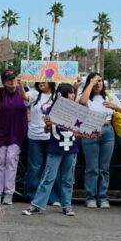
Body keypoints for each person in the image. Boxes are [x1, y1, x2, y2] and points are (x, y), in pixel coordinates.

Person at [23, 83, 80, 216]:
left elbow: (79, 130)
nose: (73, 95)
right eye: (71, 93)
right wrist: (47, 126)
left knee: (68, 178)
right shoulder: (51, 109)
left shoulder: (76, 110)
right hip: (55, 147)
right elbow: (47, 130)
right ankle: (37, 204)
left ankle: (67, 205)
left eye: (73, 93)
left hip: (71, 147)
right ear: (62, 95)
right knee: (48, 177)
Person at [78, 72, 121, 209]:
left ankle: (103, 197)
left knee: (104, 168)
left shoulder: (109, 96)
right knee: (92, 167)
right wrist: (91, 84)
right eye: (95, 81)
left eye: (100, 80)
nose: (98, 83)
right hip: (90, 130)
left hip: (107, 132)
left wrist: (114, 106)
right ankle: (90, 197)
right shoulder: (87, 98)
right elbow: (81, 102)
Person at [0, 63, 28, 205]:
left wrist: (21, 84)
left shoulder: (22, 91)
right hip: (2, 132)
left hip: (17, 132)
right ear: (4, 82)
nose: (12, 81)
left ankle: (9, 193)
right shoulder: (1, 93)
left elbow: (27, 98)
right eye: (9, 80)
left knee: (11, 159)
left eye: (14, 79)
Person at [26, 81, 59, 207]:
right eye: (39, 81)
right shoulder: (34, 94)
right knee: (35, 167)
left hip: (53, 136)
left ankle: (53, 197)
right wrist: (19, 84)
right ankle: (33, 195)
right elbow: (24, 97)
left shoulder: (57, 96)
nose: (41, 83)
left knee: (52, 168)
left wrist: (76, 87)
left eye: (44, 80)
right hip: (35, 136)